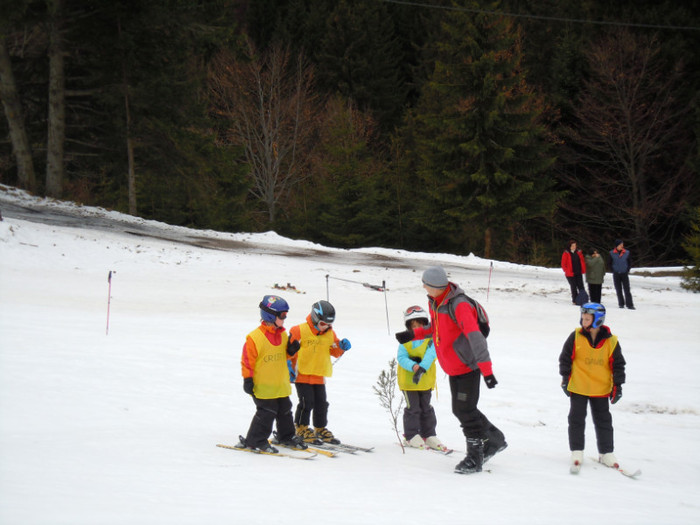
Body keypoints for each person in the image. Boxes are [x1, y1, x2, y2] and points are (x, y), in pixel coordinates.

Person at [395, 266, 506, 474]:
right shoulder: (436, 302)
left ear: (436, 286)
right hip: (453, 366)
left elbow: (475, 337)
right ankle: (495, 439)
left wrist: (487, 371)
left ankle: (475, 457)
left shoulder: (459, 305)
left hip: (467, 366)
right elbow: (437, 330)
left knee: (465, 410)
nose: (423, 287)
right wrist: (414, 334)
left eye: (426, 284)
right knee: (461, 409)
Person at [559, 303, 626, 471]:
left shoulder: (611, 342)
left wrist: (618, 385)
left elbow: (618, 365)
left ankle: (606, 453)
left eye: (587, 319)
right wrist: (565, 378)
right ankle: (577, 450)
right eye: (583, 318)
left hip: (600, 389)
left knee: (603, 421)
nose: (583, 321)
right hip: (579, 386)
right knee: (576, 419)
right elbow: (565, 358)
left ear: (598, 320)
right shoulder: (575, 336)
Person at [238, 295, 306, 453]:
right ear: (270, 315)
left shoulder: (282, 335)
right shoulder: (255, 338)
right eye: (282, 315)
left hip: (279, 385)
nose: (285, 318)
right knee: (266, 413)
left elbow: (283, 356)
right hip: (263, 386)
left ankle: (286, 436)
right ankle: (255, 440)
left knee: (285, 410)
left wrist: (291, 351)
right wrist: (247, 379)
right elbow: (247, 361)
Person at [288, 300, 351, 444]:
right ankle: (301, 427)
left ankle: (320, 428)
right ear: (315, 318)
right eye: (323, 324)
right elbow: (289, 350)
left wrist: (341, 346)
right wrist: (289, 366)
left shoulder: (330, 333)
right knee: (306, 402)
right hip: (301, 374)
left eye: (329, 325)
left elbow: (334, 351)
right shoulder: (298, 330)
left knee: (321, 403)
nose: (326, 327)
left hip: (319, 375)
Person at [396, 305, 446, 451]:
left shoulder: (430, 339)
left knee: (426, 408)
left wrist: (422, 367)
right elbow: (401, 357)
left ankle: (429, 434)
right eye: (413, 326)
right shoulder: (405, 340)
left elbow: (432, 353)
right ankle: (411, 435)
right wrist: (413, 366)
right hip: (409, 382)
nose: (417, 328)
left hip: (425, 381)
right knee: (413, 408)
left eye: (420, 325)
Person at [610, 240, 635, 310]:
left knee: (627, 289)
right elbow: (609, 263)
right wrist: (613, 270)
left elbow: (630, 262)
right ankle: (621, 303)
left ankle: (629, 304)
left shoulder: (627, 252)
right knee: (618, 289)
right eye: (620, 245)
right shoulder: (612, 253)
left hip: (624, 273)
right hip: (616, 273)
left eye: (622, 244)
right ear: (617, 246)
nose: (622, 246)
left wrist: (627, 270)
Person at [561, 239, 587, 305]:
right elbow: (563, 264)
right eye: (572, 246)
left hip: (578, 272)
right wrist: (567, 270)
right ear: (569, 246)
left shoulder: (578, 252)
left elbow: (582, 261)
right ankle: (574, 300)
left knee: (581, 286)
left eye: (575, 245)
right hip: (570, 274)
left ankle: (583, 299)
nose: (574, 247)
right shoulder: (566, 253)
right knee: (573, 287)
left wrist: (583, 269)